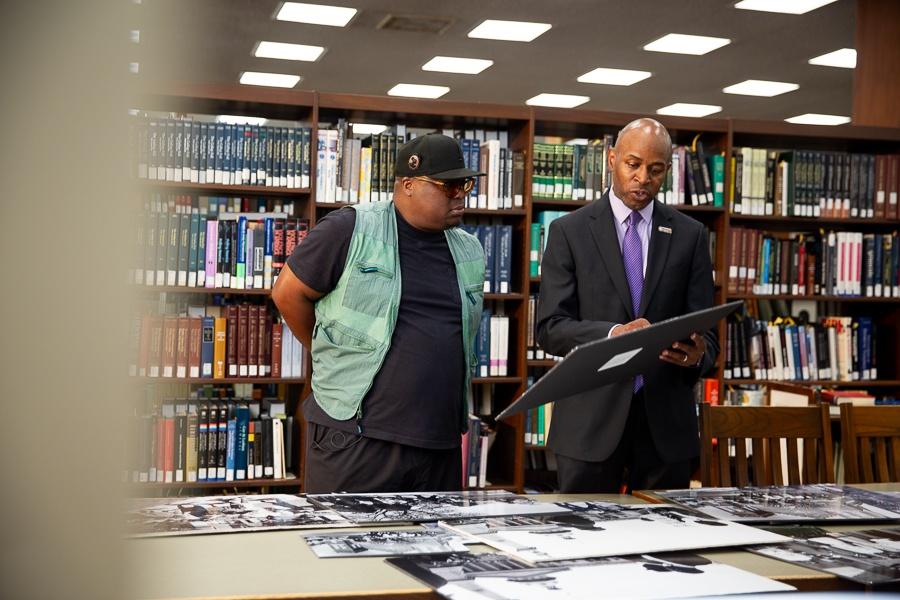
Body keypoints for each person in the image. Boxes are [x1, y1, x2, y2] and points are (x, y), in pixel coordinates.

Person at [272, 133, 485, 493]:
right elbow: (287, 293)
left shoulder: (470, 249)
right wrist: (332, 352)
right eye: (448, 186)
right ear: (408, 185)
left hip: (439, 445)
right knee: (343, 543)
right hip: (357, 440)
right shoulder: (351, 228)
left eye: (463, 184)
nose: (460, 194)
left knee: (434, 550)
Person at [536, 118, 719, 493]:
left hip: (665, 427)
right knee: (580, 541)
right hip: (589, 424)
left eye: (655, 169)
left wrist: (698, 355)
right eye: (632, 164)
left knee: (666, 544)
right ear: (611, 159)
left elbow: (709, 336)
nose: (642, 178)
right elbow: (551, 327)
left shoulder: (690, 236)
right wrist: (614, 334)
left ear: (667, 171)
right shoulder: (569, 231)